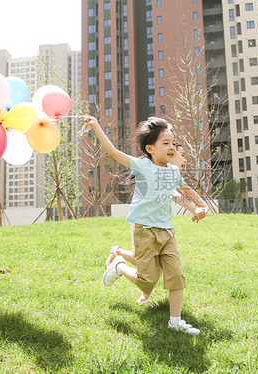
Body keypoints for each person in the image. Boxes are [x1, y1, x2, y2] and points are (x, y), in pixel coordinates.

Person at [84, 115, 207, 335]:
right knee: (147, 281)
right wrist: (95, 126)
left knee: (176, 275)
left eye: (172, 143)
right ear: (150, 148)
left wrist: (200, 205)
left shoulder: (172, 171)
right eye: (165, 143)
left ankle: (175, 321)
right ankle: (119, 265)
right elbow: (113, 151)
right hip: (144, 230)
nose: (171, 147)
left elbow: (185, 190)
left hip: (167, 231)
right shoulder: (142, 166)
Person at [105, 144, 208, 308]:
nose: (184, 159)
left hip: (158, 226)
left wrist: (198, 207)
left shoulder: (168, 174)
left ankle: (143, 298)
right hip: (143, 223)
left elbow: (180, 192)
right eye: (180, 155)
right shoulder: (157, 170)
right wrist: (195, 208)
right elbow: (175, 194)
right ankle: (118, 253)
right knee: (145, 263)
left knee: (157, 265)